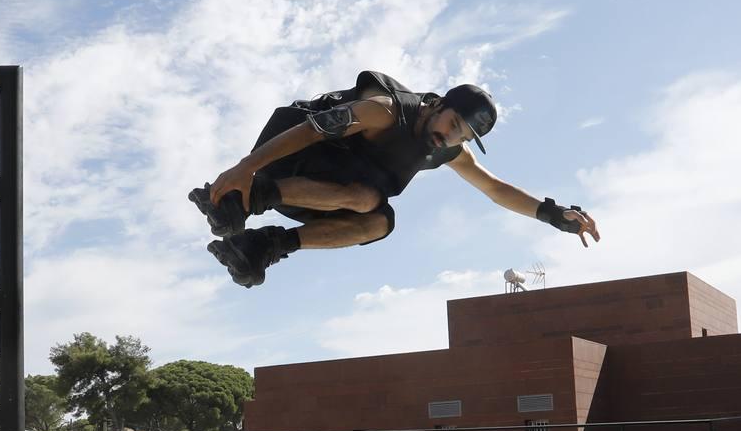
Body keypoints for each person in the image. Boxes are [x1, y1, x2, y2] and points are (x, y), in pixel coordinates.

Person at [190, 71, 600, 287]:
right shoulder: (383, 110)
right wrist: (244, 171)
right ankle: (244, 199)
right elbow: (309, 131)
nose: (450, 136)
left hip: (324, 195)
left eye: (462, 134)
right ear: (437, 104)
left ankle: (267, 244)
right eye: (452, 122)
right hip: (289, 153)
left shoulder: (448, 149)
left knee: (380, 221)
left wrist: (551, 214)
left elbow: (494, 189)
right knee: (369, 197)